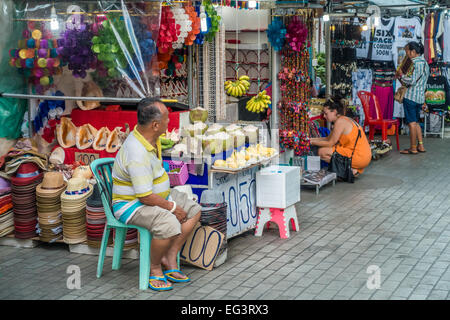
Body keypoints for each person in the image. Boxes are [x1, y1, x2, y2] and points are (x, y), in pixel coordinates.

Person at [112, 97, 201, 291]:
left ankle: (169, 255)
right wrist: (173, 208)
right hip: (131, 205)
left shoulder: (152, 138)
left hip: (155, 198)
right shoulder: (136, 152)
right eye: (166, 119)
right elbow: (144, 197)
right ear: (155, 125)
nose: (169, 122)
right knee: (169, 224)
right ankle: (154, 268)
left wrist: (173, 202)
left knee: (194, 210)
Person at [310, 97, 372, 177]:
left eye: (326, 113)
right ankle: (352, 169)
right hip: (363, 155)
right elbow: (328, 138)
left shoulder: (340, 122)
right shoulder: (343, 119)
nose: (324, 116)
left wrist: (311, 142)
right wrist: (311, 139)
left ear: (334, 112)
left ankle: (348, 170)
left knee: (322, 152)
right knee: (325, 150)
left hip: (359, 156)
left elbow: (330, 143)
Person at [396, 41, 429, 154]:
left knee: (411, 123)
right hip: (420, 98)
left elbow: (412, 80)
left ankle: (413, 147)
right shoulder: (425, 63)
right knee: (416, 122)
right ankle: (421, 146)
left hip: (411, 97)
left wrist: (401, 75)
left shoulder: (414, 63)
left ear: (413, 52)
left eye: (407, 52)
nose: (407, 54)